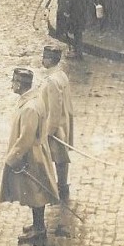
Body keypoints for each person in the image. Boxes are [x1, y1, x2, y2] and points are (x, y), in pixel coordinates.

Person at [0, 67, 58, 245]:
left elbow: (26, 138)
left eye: (13, 82)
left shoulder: (30, 108)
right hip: (33, 153)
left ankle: (39, 229)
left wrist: (12, 158)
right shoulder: (31, 100)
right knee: (34, 191)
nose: (12, 85)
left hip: (31, 156)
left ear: (19, 84)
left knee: (36, 192)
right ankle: (37, 225)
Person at [38, 45, 74, 201]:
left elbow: (54, 109)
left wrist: (49, 131)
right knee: (61, 156)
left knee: (59, 157)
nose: (42, 60)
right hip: (64, 121)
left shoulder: (52, 80)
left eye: (45, 57)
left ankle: (61, 187)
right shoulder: (61, 75)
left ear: (50, 60)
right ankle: (62, 185)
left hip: (56, 125)